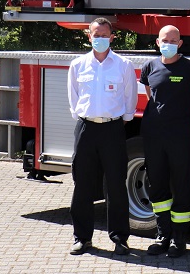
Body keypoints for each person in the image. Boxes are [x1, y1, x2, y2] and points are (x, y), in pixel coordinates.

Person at [67, 17, 137, 256]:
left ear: (112, 37)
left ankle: (120, 239)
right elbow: (74, 99)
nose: (100, 39)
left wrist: (120, 119)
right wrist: (86, 117)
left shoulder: (123, 65)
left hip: (113, 129)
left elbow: (130, 99)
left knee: (116, 185)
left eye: (104, 35)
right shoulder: (77, 65)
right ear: (89, 36)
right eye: (96, 35)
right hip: (86, 129)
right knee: (82, 185)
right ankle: (82, 238)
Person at [139, 25, 190, 258]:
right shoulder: (149, 67)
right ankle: (162, 236)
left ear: (180, 43)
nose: (168, 44)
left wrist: (183, 120)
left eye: (173, 40)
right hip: (154, 136)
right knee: (157, 186)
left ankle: (179, 239)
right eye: (164, 40)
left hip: (181, 136)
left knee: (182, 186)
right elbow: (151, 95)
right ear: (157, 42)